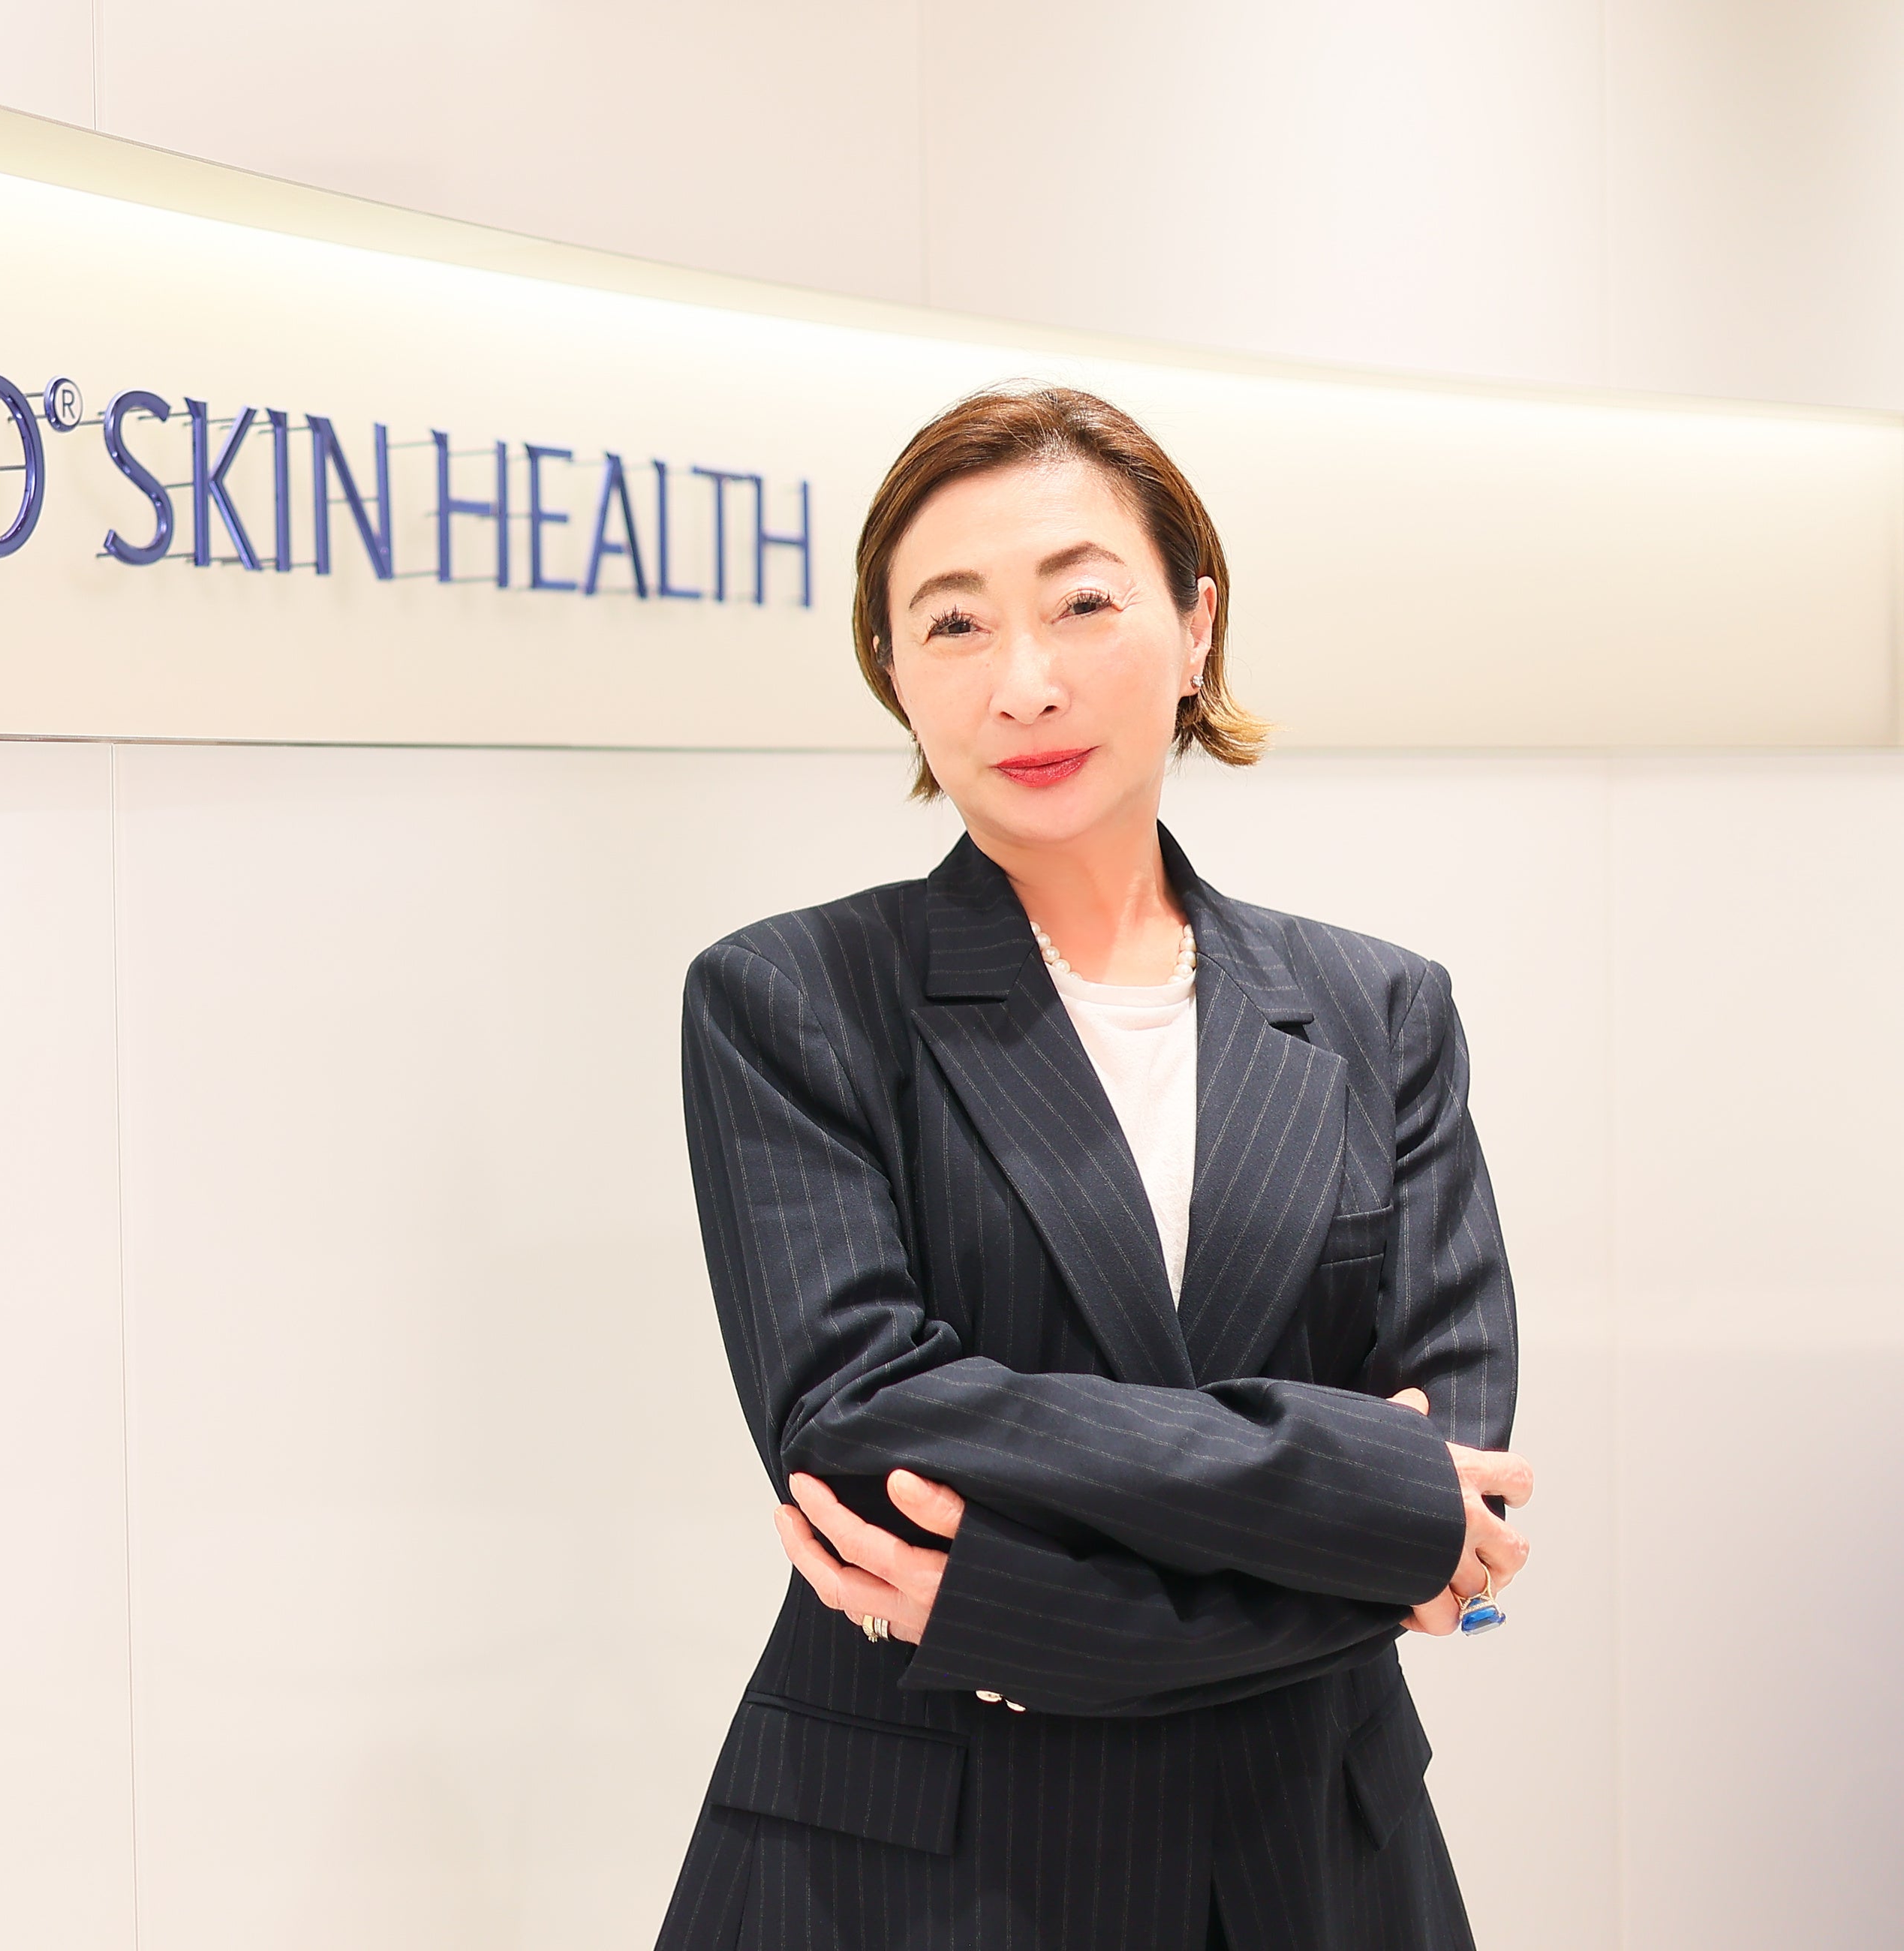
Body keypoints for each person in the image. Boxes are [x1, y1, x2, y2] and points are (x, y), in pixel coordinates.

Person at [652, 387, 1535, 1951]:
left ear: (1195, 626)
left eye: (1082, 603)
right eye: (954, 624)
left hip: (1311, 1866)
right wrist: (1345, 1484)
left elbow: (1450, 1489)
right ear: (894, 673)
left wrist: (1020, 1613)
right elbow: (861, 1421)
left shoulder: (1379, 1009)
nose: (1026, 683)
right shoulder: (792, 998)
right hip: (918, 1877)